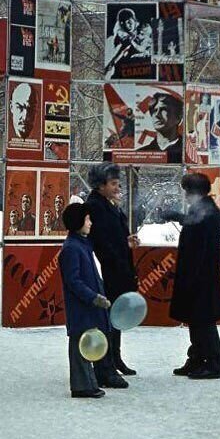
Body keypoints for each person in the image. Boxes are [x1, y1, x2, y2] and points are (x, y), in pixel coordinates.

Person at [168, 172, 220, 379]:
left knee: (204, 321)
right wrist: (177, 217)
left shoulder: (208, 212)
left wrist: (192, 276)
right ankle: (197, 358)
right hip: (196, 274)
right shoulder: (203, 209)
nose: (185, 196)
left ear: (195, 192)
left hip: (201, 275)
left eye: (187, 191)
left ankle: (212, 363)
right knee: (196, 320)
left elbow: (200, 242)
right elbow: (192, 223)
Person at [86, 162, 138, 384]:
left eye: (118, 183)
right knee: (108, 319)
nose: (118, 187)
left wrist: (127, 240)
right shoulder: (96, 206)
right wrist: (119, 251)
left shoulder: (109, 203)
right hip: (109, 270)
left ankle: (115, 358)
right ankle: (106, 364)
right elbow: (102, 241)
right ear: (101, 185)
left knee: (116, 318)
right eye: (114, 183)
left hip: (118, 266)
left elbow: (114, 235)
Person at [59, 202, 113, 399]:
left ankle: (87, 382)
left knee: (85, 344)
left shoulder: (82, 244)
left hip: (88, 305)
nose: (91, 223)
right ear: (78, 221)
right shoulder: (72, 248)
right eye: (88, 219)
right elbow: (73, 281)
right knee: (79, 345)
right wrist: (94, 297)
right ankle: (81, 385)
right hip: (81, 306)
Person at [139, 92, 183, 163]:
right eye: (154, 110)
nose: (156, 115)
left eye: (163, 109)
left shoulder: (187, 152)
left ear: (178, 117)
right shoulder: (141, 153)